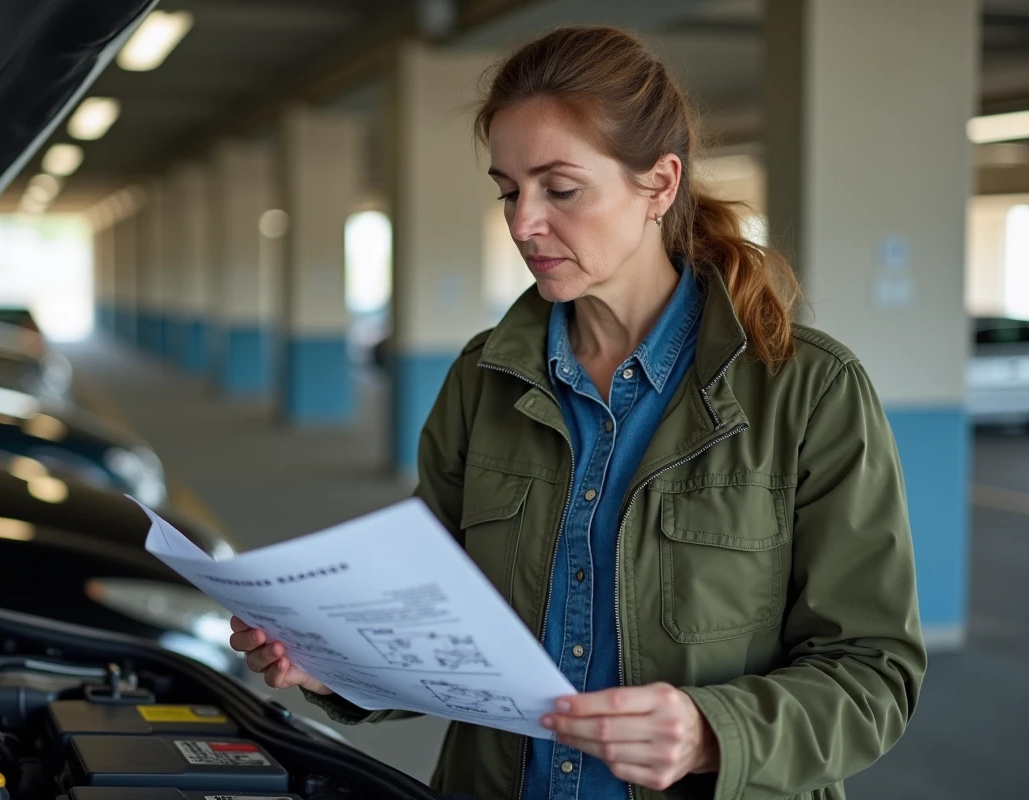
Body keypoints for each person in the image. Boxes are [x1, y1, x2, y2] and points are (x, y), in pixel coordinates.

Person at [229, 25, 927, 800]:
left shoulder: (808, 390)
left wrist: (710, 732)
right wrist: (332, 662)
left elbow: (873, 675)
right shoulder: (482, 379)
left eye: (560, 189)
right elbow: (433, 633)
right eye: (508, 189)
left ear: (660, 185)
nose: (524, 222)